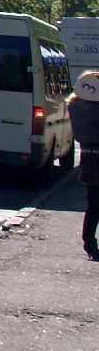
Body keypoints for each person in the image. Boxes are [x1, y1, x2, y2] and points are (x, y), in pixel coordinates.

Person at [71, 70, 99, 260]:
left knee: (93, 205)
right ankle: (90, 244)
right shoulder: (95, 109)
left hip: (88, 159)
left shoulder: (75, 106)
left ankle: (89, 244)